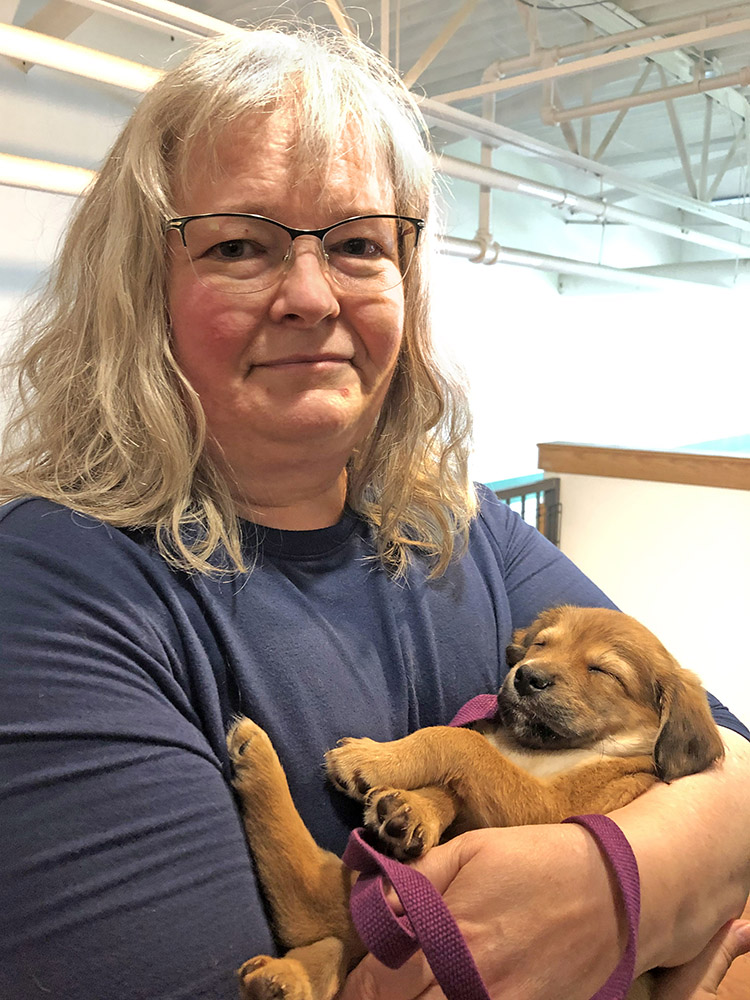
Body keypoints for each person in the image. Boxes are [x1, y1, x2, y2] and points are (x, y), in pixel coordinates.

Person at [0, 25, 748, 1000]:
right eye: (238, 244)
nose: (311, 294)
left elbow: (725, 757)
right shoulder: (53, 594)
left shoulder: (462, 527)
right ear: (140, 290)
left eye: (357, 242)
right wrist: (667, 889)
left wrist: (608, 888)